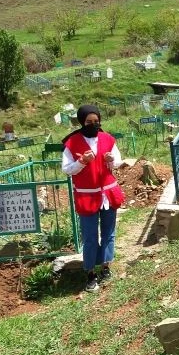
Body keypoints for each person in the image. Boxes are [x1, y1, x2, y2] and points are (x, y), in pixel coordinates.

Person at [62, 105, 125, 293]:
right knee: (90, 237)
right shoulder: (72, 143)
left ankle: (105, 266)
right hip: (86, 195)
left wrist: (110, 160)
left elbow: (118, 162)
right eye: (89, 122)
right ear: (82, 122)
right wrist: (81, 162)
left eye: (96, 121)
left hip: (108, 193)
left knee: (109, 233)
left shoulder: (108, 139)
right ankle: (90, 272)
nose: (93, 124)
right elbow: (66, 169)